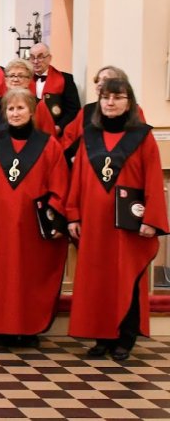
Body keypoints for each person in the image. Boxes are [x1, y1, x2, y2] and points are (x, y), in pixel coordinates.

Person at [66, 79, 168, 361]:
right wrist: (73, 214)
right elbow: (78, 180)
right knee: (97, 280)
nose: (110, 103)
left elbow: (152, 177)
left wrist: (151, 219)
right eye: (105, 97)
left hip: (128, 225)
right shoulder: (89, 135)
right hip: (95, 224)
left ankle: (125, 336)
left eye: (117, 97)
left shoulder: (142, 136)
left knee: (126, 277)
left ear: (129, 101)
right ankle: (102, 337)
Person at [0, 88, 69, 349]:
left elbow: (59, 186)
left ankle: (30, 327)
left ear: (32, 112)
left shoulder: (49, 145)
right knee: (3, 277)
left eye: (21, 108)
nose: (15, 113)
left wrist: (55, 219)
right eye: (10, 109)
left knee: (31, 276)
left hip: (34, 228)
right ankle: (4, 328)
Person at [61, 66, 145, 162]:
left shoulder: (134, 109)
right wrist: (72, 157)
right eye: (98, 80)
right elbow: (69, 135)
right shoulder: (87, 110)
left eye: (105, 80)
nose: (99, 84)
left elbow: (140, 140)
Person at [28, 42, 80, 136]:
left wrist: (60, 126)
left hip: (56, 133)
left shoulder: (65, 79)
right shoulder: (25, 79)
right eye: (32, 57)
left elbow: (73, 110)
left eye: (40, 57)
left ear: (49, 58)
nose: (35, 61)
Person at [0, 59, 55, 135]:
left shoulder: (38, 105)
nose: (15, 79)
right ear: (6, 79)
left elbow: (49, 134)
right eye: (12, 76)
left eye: (21, 76)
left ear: (29, 80)